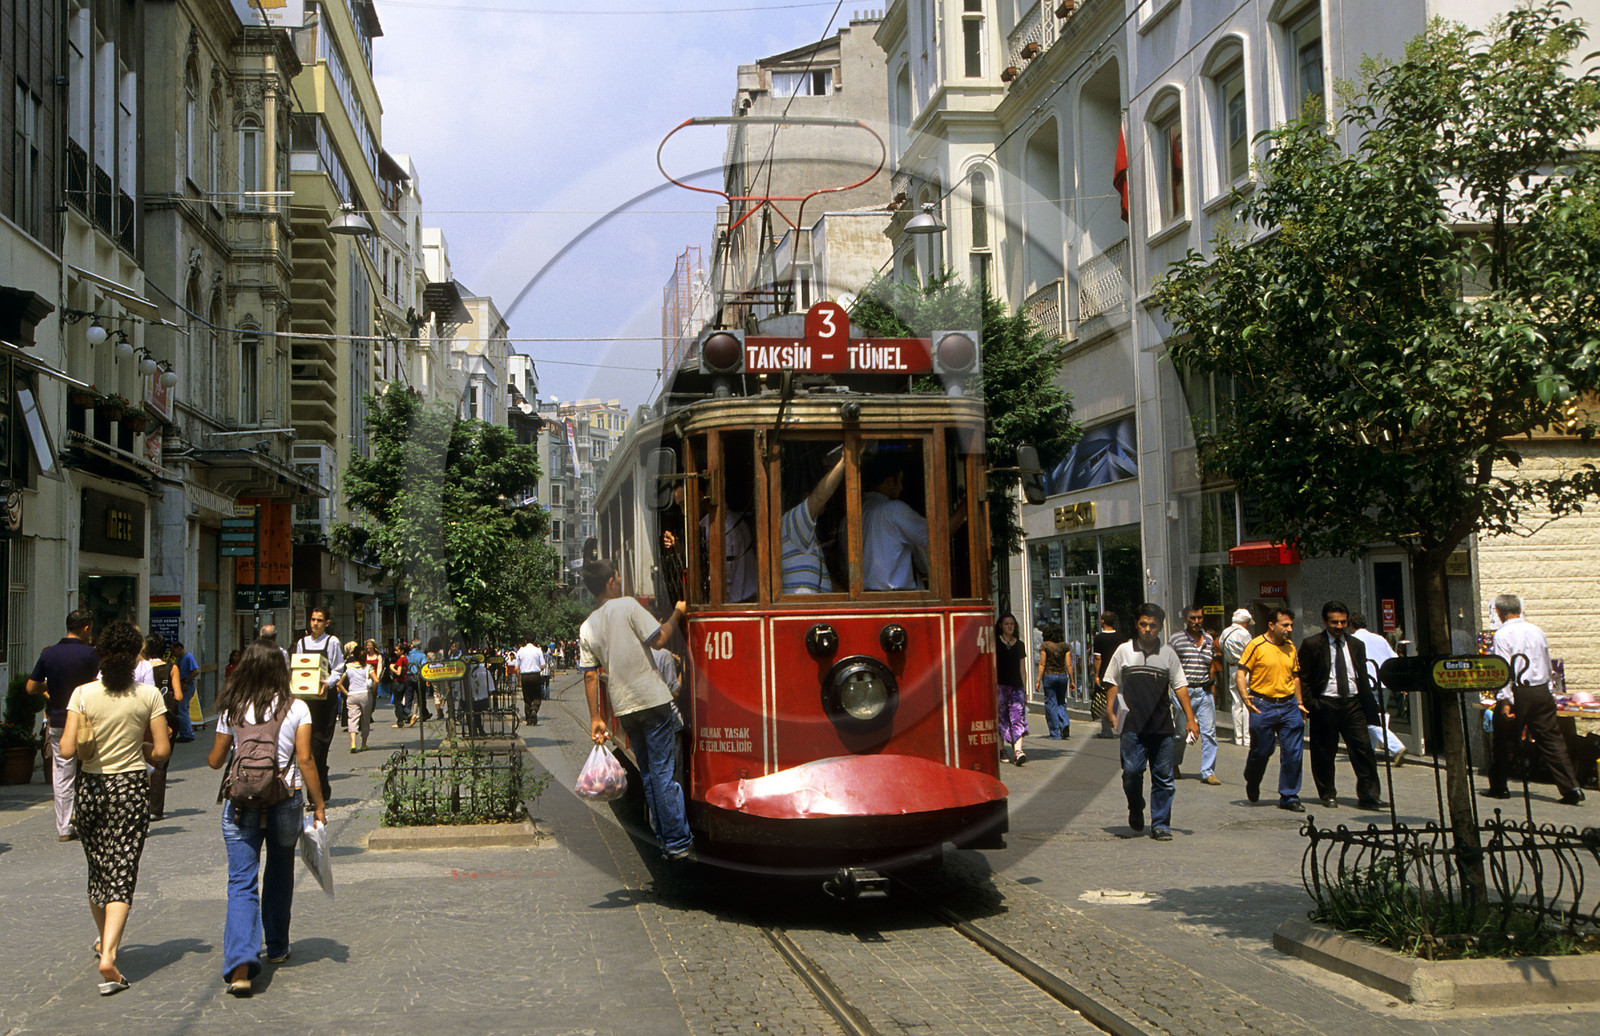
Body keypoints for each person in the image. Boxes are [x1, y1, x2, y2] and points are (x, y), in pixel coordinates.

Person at [57, 620, 172, 996]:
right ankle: (108, 954)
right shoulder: (147, 696)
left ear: (101, 653)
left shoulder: (83, 694)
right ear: (137, 655)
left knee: (98, 871)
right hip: (131, 790)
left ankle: (102, 938)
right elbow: (163, 751)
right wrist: (140, 753)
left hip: (90, 789)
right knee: (123, 871)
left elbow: (68, 750)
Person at [206, 641, 326, 998]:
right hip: (285, 801)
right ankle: (276, 946)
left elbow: (214, 760)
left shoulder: (233, 708)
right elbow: (305, 761)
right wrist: (318, 804)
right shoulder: (297, 708)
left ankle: (241, 967)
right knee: (279, 871)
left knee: (241, 882)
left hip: (241, 804)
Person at [580, 558, 693, 860]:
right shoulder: (628, 606)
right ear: (611, 582)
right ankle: (678, 841)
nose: (619, 579)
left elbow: (591, 675)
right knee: (663, 774)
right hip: (653, 701)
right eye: (617, 576)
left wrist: (596, 718)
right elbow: (660, 639)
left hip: (625, 708)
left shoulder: (587, 626)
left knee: (649, 775)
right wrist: (678, 613)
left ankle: (665, 840)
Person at [1104, 604, 1199, 841]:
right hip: (1132, 726)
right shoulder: (1124, 651)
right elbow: (1111, 680)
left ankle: (1160, 824)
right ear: (1137, 624)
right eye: (1143, 624)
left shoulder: (1168, 654)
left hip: (1161, 726)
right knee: (1132, 772)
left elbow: (1180, 686)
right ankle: (1136, 807)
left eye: (1153, 625)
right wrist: (1110, 708)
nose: (1147, 629)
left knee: (1164, 778)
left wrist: (1190, 718)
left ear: (1160, 627)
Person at [1485, 593, 1583, 804]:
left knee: (1504, 738)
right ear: (1520, 610)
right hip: (1540, 689)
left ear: (1499, 613)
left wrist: (1505, 700)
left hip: (1519, 691)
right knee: (1552, 739)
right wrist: (1549, 689)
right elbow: (1546, 662)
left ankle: (1499, 786)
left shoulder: (1502, 634)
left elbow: (1504, 668)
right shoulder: (1536, 630)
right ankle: (1571, 787)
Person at [1298, 601, 1385, 809]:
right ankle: (1327, 793)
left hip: (1352, 703)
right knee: (1324, 752)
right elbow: (1304, 677)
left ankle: (1369, 795)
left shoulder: (1356, 645)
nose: (1339, 626)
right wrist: (1312, 704)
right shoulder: (1312, 644)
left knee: (1363, 749)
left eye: (1343, 622)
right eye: (1334, 622)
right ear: (1324, 621)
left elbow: (1361, 675)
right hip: (1325, 703)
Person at [27, 609, 99, 841]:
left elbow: (30, 687)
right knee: (94, 769)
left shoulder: (50, 654)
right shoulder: (91, 655)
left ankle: (64, 826)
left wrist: (48, 689)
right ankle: (92, 817)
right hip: (87, 722)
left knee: (62, 774)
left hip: (58, 721)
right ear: (86, 627)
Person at [1237, 608, 1308, 812]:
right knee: (1262, 749)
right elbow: (1241, 672)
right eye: (1285, 625)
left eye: (1291, 625)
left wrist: (1299, 702)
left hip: (1288, 706)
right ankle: (1252, 777)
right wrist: (1245, 697)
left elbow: (1295, 676)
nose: (1289, 629)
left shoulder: (1291, 647)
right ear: (1271, 625)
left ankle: (1289, 796)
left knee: (1293, 753)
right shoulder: (1256, 645)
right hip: (1263, 705)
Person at [291, 608, 344, 802]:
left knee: (320, 747)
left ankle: (319, 791)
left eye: (319, 620)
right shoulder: (301, 643)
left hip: (325, 702)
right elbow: (298, 668)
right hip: (306, 702)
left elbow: (338, 668)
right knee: (307, 749)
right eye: (312, 620)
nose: (315, 623)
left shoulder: (332, 642)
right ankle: (315, 794)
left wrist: (327, 683)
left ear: (327, 623)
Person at [780, 448, 846, 593]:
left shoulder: (803, 530)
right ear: (806, 496)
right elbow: (819, 497)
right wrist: (844, 461)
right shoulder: (793, 522)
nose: (827, 504)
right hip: (801, 613)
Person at [860, 455, 929, 591]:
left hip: (864, 600)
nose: (901, 488)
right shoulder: (894, 510)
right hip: (896, 599)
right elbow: (938, 535)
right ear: (890, 482)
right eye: (900, 481)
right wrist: (966, 504)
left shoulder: (851, 517)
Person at [1169, 605, 1220, 785]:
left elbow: (1211, 666)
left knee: (1210, 732)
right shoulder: (1176, 640)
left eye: (1199, 618)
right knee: (1181, 733)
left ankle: (1208, 771)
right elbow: (1170, 666)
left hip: (1204, 691)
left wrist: (1212, 690)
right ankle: (1174, 764)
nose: (1196, 622)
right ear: (1185, 619)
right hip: (1184, 692)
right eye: (1192, 618)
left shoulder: (1208, 639)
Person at [1349, 613, 1406, 767]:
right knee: (1376, 716)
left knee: (1368, 719)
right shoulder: (1379, 638)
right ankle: (1369, 752)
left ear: (1350, 625)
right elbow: (1393, 657)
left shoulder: (1353, 641)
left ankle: (1396, 747)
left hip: (1368, 683)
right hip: (1384, 683)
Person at [141, 634, 181, 822]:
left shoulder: (141, 667)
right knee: (161, 763)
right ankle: (156, 808)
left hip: (144, 718)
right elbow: (179, 696)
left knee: (143, 758)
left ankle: (140, 801)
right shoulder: (171, 668)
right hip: (165, 718)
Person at [995, 613, 1029, 765]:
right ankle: (1001, 749)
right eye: (1007, 624)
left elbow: (1022, 669)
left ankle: (1018, 750)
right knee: (1001, 717)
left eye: (1012, 624)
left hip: (1016, 687)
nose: (1009, 626)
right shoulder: (995, 643)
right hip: (1000, 686)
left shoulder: (1020, 645)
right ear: (1001, 625)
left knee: (1018, 717)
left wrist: (1024, 690)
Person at [1091, 611, 1130, 738]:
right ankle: (1122, 725)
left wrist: (1096, 675)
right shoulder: (1121, 637)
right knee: (1121, 698)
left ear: (1103, 621)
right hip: (1121, 672)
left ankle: (1106, 730)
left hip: (1106, 672)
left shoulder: (1099, 638)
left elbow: (1098, 658)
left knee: (1105, 700)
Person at [1220, 609, 1255, 747]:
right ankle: (1247, 738)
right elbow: (1252, 651)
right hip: (1245, 669)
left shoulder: (1225, 633)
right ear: (1244, 622)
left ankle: (1237, 737)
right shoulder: (1244, 634)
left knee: (1236, 703)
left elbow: (1221, 647)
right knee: (1246, 702)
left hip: (1232, 668)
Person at [1036, 623, 1076, 739]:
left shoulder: (1045, 646)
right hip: (1062, 676)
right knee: (1061, 702)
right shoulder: (1065, 646)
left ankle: (1055, 732)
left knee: (1051, 703)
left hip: (1049, 676)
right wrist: (1072, 680)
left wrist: (1038, 680)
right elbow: (1069, 665)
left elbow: (1042, 663)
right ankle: (1065, 722)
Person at [342, 640, 374, 751]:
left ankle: (353, 744)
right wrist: (373, 690)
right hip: (365, 694)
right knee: (365, 719)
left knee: (352, 719)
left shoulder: (348, 666)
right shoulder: (368, 667)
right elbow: (377, 679)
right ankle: (364, 744)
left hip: (352, 695)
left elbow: (339, 683)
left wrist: (346, 693)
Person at [516, 635, 547, 724]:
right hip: (535, 675)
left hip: (524, 676)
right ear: (534, 641)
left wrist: (519, 680)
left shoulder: (520, 651)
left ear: (525, 641)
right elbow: (543, 665)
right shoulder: (538, 650)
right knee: (537, 696)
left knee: (527, 698)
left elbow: (516, 668)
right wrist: (537, 670)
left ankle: (529, 718)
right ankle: (534, 709)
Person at [171, 641, 199, 741]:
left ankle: (187, 734)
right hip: (181, 684)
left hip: (186, 686)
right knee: (181, 709)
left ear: (179, 648)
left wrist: (185, 682)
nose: (173, 654)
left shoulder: (188, 657)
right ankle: (185, 732)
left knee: (182, 709)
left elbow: (196, 671)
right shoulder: (180, 659)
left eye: (174, 651)